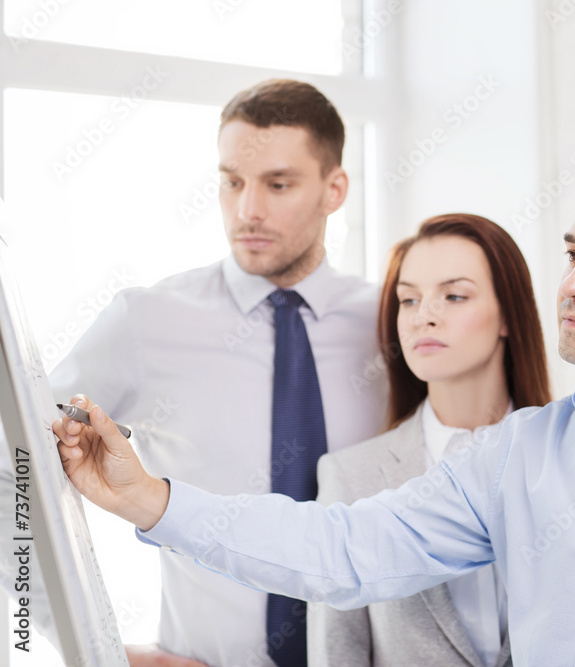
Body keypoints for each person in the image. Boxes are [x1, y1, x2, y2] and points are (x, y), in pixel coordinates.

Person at [56, 153, 575, 665]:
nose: (573, 283)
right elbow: (344, 549)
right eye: (573, 254)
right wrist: (150, 499)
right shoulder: (517, 452)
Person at [31, 79, 386, 666]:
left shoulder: (391, 326)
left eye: (278, 184)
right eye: (232, 182)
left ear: (334, 189)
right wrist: (89, 645)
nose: (248, 209)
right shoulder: (146, 322)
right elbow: (12, 470)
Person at [307, 213, 551, 667]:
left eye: (454, 296)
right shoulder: (351, 476)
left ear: (507, 316)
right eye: (409, 299)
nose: (425, 317)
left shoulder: (572, 459)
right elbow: (337, 654)